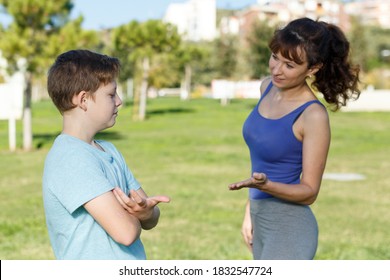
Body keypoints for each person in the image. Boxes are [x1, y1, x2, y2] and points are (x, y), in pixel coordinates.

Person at [228, 17, 360, 260]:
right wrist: (250, 211)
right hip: (260, 217)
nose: (277, 70)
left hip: (290, 227)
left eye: (289, 65)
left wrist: (266, 186)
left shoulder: (312, 115)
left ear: (312, 69)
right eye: (275, 57)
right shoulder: (266, 88)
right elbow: (262, 163)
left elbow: (309, 191)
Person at [42, 49, 170, 260]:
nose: (119, 101)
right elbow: (126, 233)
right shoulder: (70, 158)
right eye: (111, 94)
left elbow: (149, 214)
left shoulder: (109, 150)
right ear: (83, 100)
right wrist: (138, 214)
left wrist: (146, 213)